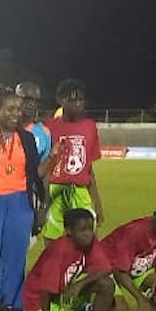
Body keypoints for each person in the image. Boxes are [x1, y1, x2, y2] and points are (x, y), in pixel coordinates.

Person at [23, 208, 127, 311]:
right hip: (41, 299)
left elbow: (106, 268)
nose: (88, 234)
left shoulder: (91, 243)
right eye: (82, 230)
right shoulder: (58, 250)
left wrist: (81, 284)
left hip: (65, 291)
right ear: (69, 231)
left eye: (90, 229)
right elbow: (44, 289)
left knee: (106, 284)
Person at [0, 89, 45, 310]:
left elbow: (35, 175)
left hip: (21, 204)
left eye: (18, 109)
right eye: (10, 109)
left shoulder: (27, 138)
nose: (17, 114)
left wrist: (40, 206)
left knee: (15, 261)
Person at [43, 79, 104, 242]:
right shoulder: (48, 128)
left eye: (81, 100)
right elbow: (44, 168)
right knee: (52, 241)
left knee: (87, 241)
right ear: (60, 100)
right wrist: (42, 204)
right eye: (72, 100)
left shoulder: (90, 126)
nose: (78, 104)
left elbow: (89, 169)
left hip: (81, 191)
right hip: (55, 191)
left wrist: (96, 202)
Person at [16, 81, 52, 163]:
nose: (32, 104)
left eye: (36, 101)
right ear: (16, 98)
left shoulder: (44, 132)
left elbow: (43, 170)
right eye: (27, 99)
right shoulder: (3, 128)